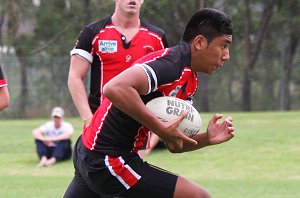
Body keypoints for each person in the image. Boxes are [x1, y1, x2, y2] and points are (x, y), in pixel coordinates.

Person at [64, 8, 235, 198]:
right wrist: (160, 128)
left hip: (92, 154)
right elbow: (114, 88)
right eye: (223, 45)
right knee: (199, 196)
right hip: (109, 160)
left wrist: (207, 138)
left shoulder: (190, 80)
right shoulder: (170, 65)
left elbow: (174, 145)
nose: (226, 55)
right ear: (200, 42)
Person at [68, 0, 168, 127]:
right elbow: (74, 77)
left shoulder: (157, 37)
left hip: (140, 125)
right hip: (100, 123)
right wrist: (88, 119)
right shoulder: (93, 32)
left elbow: (166, 85)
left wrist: (159, 127)